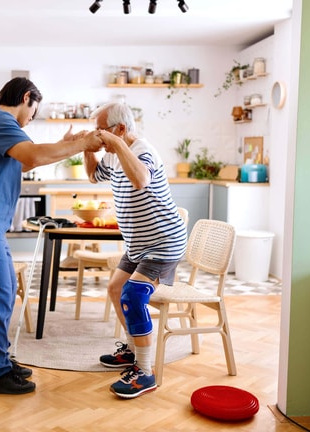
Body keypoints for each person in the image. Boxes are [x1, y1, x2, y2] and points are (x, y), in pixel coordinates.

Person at [0, 77, 103, 395]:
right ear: (27, 97)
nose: (31, 117)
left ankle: (0, 361)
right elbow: (32, 157)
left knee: (4, 294)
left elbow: (30, 156)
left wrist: (65, 145)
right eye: (33, 111)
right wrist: (82, 144)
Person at [83, 102, 187, 399]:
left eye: (102, 131)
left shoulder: (142, 151)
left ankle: (145, 372)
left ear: (120, 129)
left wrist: (114, 143)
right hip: (139, 244)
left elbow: (141, 179)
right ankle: (131, 350)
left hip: (163, 242)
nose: (100, 137)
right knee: (116, 289)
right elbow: (93, 177)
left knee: (132, 294)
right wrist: (88, 147)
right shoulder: (114, 155)